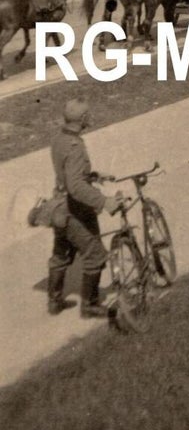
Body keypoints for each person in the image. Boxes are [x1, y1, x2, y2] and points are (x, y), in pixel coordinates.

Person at [48, 98, 122, 318]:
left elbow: (69, 174)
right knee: (95, 255)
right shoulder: (75, 146)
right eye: (88, 114)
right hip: (75, 211)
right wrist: (104, 201)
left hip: (58, 207)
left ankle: (54, 301)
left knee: (61, 253)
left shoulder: (59, 139)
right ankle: (89, 305)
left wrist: (94, 175)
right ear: (82, 119)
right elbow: (76, 186)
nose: (91, 117)